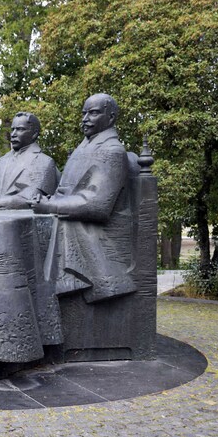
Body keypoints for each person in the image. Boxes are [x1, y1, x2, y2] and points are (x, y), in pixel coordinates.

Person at [31, 94, 137, 303]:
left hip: (101, 234)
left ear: (111, 117)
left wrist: (49, 205)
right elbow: (66, 191)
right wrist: (46, 199)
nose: (86, 118)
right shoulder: (84, 148)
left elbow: (98, 204)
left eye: (94, 113)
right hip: (76, 221)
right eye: (84, 113)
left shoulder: (112, 150)